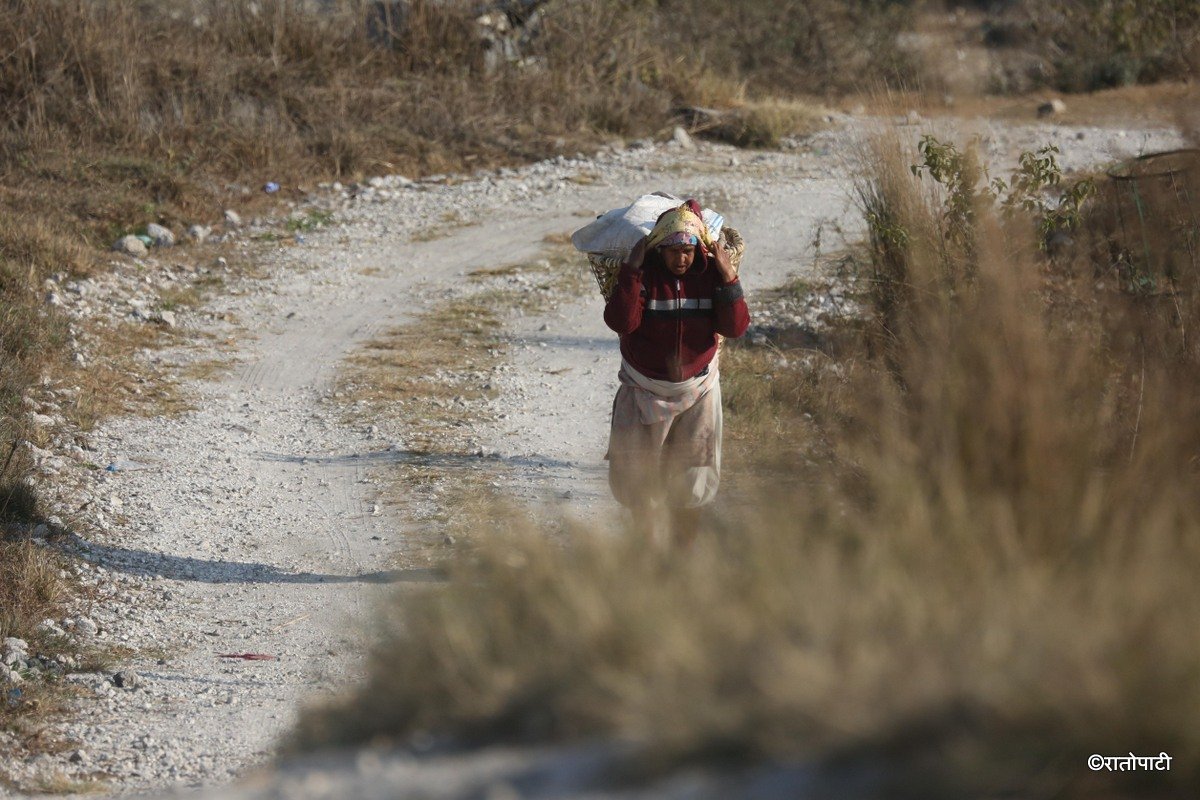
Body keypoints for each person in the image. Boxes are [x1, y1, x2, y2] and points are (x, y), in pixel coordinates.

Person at [603, 199, 750, 546]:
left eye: (687, 250)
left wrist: (729, 278)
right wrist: (632, 271)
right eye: (671, 250)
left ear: (698, 248)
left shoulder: (710, 276)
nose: (680, 258)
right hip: (644, 387)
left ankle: (682, 555)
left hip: (697, 390)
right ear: (658, 249)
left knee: (693, 477)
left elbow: (735, 327)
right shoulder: (646, 277)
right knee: (639, 480)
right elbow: (620, 322)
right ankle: (646, 554)